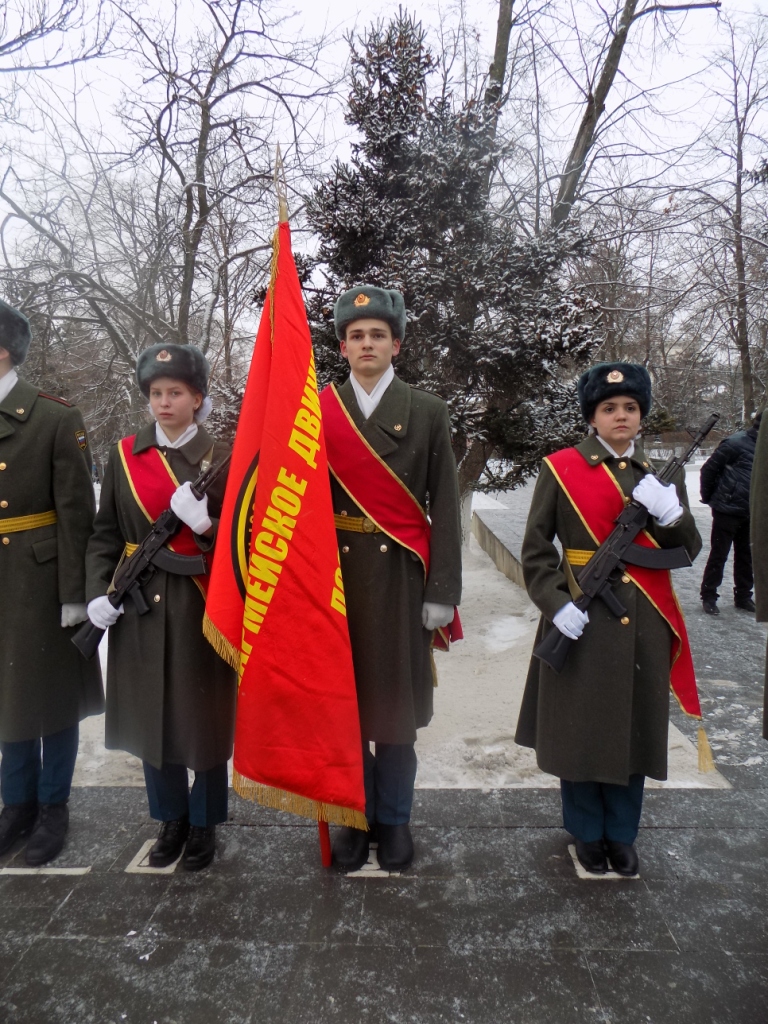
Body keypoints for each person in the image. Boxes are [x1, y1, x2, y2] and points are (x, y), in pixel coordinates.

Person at [515, 363, 702, 876]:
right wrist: (557, 605)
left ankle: (622, 834)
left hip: (642, 618)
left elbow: (686, 551)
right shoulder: (560, 468)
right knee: (580, 730)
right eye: (609, 408)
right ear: (592, 417)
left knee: (632, 729)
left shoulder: (662, 475)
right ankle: (585, 831)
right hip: (580, 613)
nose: (621, 416)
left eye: (630, 408)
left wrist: (672, 516)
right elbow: (535, 551)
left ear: (641, 415)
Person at [321, 287, 462, 872]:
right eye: (357, 335)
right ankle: (354, 817)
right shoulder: (317, 410)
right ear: (343, 346)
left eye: (378, 334)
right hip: (335, 583)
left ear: (396, 343)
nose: (367, 343)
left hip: (402, 578)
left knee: (396, 715)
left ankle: (396, 819)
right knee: (344, 710)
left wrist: (443, 594)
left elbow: (446, 506)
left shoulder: (428, 410)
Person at [85, 344, 236, 871]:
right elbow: (104, 533)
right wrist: (97, 594)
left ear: (198, 398)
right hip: (139, 605)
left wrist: (205, 528)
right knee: (156, 720)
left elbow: (250, 544)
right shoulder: (126, 454)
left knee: (205, 719)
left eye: (176, 393)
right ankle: (170, 819)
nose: (164, 402)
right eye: (156, 393)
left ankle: (205, 823)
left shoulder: (227, 459)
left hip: (202, 605)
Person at [0, 299, 104, 866]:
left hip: (39, 582)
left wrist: (75, 596)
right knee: (8, 698)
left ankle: (52, 806)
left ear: (4, 350)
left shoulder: (53, 417)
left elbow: (76, 516)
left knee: (52, 699)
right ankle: (14, 805)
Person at [699, 414, 760, 615]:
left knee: (747, 555)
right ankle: (709, 595)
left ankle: (743, 596)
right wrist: (710, 498)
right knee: (719, 554)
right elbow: (709, 469)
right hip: (727, 509)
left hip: (751, 510)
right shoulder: (735, 443)